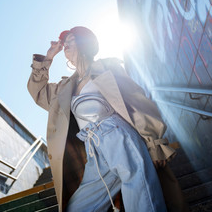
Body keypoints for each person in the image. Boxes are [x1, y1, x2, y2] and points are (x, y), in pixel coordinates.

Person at [27, 26, 177, 212]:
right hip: (93, 150)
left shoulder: (107, 68)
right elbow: (38, 92)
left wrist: (154, 142)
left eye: (71, 39)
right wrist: (48, 58)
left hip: (119, 136)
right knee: (77, 208)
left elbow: (137, 101)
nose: (65, 44)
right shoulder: (65, 87)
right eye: (64, 42)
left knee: (143, 200)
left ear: (85, 43)